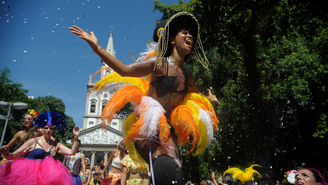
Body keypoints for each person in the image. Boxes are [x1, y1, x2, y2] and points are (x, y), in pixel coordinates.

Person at [69, 11, 220, 185]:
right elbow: (125, 70)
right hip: (148, 128)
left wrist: (208, 100)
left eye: (191, 33)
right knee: (165, 169)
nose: (189, 35)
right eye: (184, 32)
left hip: (169, 131)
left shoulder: (189, 75)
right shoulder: (159, 64)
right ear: (172, 40)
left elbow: (193, 96)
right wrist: (97, 48)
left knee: (176, 178)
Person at [0, 111, 80, 184]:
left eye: (51, 128)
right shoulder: (33, 141)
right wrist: (6, 153)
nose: (48, 130)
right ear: (42, 128)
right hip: (29, 177)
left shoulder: (56, 145)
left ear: (54, 130)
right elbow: (13, 156)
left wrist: (76, 137)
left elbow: (72, 152)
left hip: (48, 178)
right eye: (46, 128)